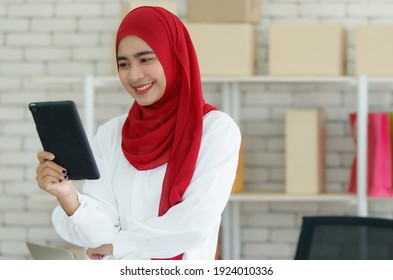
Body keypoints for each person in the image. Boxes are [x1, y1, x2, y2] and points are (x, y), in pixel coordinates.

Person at [35, 6, 241, 260]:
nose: (134, 75)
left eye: (146, 59)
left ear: (173, 57)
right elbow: (99, 235)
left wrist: (121, 245)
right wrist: (67, 194)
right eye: (123, 64)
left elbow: (195, 221)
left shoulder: (216, 130)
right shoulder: (111, 134)